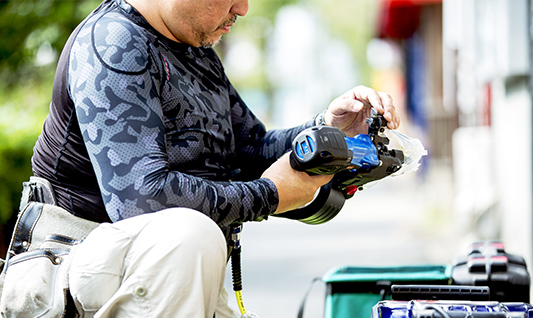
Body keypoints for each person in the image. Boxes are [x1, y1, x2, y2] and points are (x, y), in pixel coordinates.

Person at [26, 0, 400, 316]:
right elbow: (142, 201)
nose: (243, 8)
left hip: (174, 274)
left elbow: (250, 147)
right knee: (189, 232)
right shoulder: (113, 41)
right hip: (79, 273)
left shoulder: (196, 52)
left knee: (192, 236)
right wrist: (271, 195)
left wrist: (328, 130)